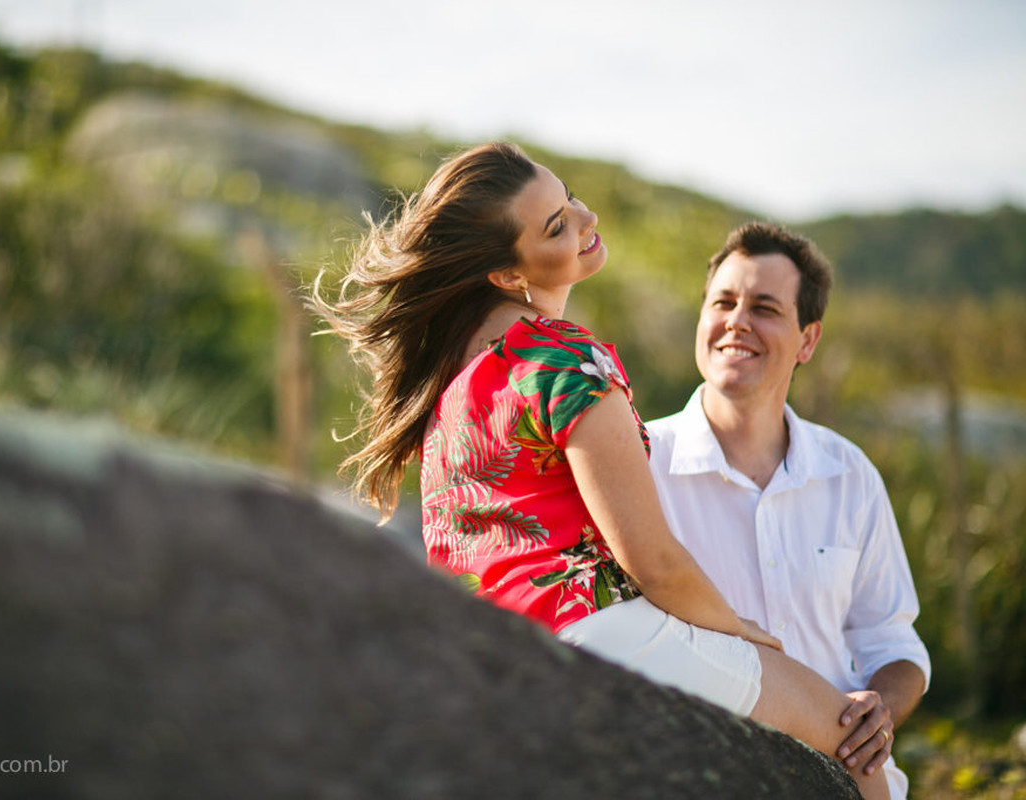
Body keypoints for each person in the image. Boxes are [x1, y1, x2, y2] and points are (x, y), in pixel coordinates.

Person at [314, 142, 890, 799]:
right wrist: (748, 635)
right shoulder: (564, 354)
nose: (585, 219)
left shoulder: (452, 384)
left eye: (569, 199)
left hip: (492, 653)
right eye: (557, 225)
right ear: (507, 273)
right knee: (858, 743)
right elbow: (653, 560)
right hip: (600, 632)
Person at [645, 221, 930, 799]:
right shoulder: (640, 464)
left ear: (807, 340)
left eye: (765, 308)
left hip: (843, 781)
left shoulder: (850, 475)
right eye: (722, 302)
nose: (737, 322)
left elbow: (894, 645)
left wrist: (884, 707)